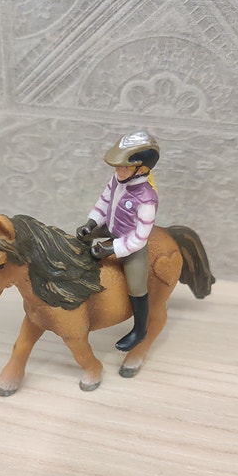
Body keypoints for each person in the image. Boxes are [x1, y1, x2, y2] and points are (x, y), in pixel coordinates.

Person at [76, 131, 160, 352]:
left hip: (130, 242)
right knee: (81, 236)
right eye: (117, 166)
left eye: (123, 167)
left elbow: (140, 237)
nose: (117, 171)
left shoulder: (146, 199)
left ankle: (140, 330)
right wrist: (91, 223)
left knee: (136, 285)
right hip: (112, 227)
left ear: (141, 169)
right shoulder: (117, 179)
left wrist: (111, 248)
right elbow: (104, 201)